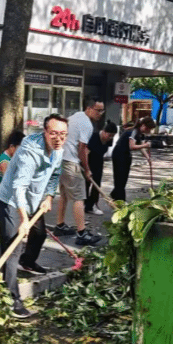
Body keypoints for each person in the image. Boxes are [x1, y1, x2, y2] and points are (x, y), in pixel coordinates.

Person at [0, 114, 67, 319]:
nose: (58, 138)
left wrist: (49, 197)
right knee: (12, 247)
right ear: (45, 132)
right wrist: (24, 220)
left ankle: (27, 262)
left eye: (63, 134)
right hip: (11, 200)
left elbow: (55, 175)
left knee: (39, 234)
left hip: (35, 199)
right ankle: (13, 299)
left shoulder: (58, 150)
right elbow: (19, 187)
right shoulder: (30, 152)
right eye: (53, 133)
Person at [54, 97, 105, 245]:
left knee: (64, 195)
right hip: (70, 162)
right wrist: (87, 170)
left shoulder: (75, 117)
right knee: (79, 198)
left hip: (61, 160)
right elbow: (82, 149)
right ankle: (82, 233)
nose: (100, 113)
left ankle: (60, 225)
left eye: (102, 111)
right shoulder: (86, 124)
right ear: (89, 108)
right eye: (98, 110)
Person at [110, 116, 155, 201]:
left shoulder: (140, 134)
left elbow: (141, 147)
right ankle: (120, 199)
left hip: (126, 155)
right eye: (148, 129)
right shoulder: (133, 131)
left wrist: (148, 158)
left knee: (124, 178)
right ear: (144, 126)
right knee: (120, 178)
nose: (149, 131)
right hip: (119, 154)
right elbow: (132, 146)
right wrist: (145, 145)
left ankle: (114, 194)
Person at [84, 120, 118, 215]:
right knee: (86, 184)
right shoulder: (94, 137)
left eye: (113, 136)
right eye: (109, 135)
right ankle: (85, 204)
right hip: (88, 161)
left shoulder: (109, 140)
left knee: (97, 184)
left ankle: (93, 204)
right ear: (103, 131)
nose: (110, 138)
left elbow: (103, 151)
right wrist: (87, 169)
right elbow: (85, 153)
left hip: (98, 162)